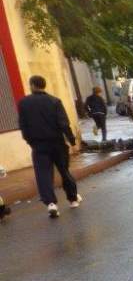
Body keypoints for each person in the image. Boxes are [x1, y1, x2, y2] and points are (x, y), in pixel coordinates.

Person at [17, 75, 81, 218]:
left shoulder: (23, 103)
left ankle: (51, 203)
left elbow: (23, 126)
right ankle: (73, 199)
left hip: (38, 145)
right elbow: (64, 123)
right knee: (64, 170)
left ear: (32, 85)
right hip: (57, 143)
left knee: (43, 174)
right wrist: (71, 140)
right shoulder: (55, 101)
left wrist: (30, 141)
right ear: (43, 85)